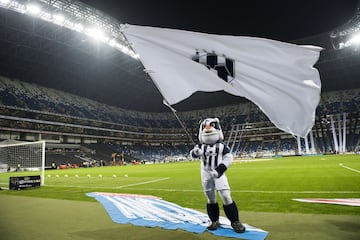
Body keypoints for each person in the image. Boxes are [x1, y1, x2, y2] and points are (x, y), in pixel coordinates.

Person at [190, 118, 245, 233]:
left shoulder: (221, 146)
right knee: (210, 198)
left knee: (226, 196)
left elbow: (229, 157)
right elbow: (192, 155)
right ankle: (214, 220)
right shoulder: (200, 146)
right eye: (204, 127)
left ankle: (235, 221)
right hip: (205, 174)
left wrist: (220, 170)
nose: (208, 129)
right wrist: (195, 152)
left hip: (219, 174)